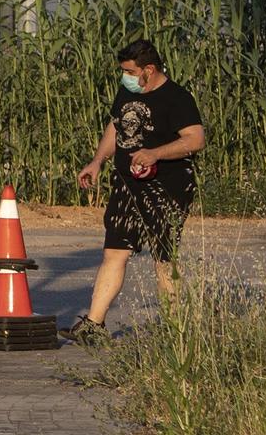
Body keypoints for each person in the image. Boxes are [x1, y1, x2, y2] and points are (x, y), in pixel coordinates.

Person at [67, 39, 206, 339]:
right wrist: (97, 162)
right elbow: (115, 127)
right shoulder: (127, 93)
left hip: (166, 187)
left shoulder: (177, 98)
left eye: (130, 71)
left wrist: (155, 153)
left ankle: (174, 331)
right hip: (127, 185)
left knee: (164, 258)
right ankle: (94, 325)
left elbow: (195, 139)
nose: (125, 77)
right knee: (114, 252)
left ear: (149, 70)